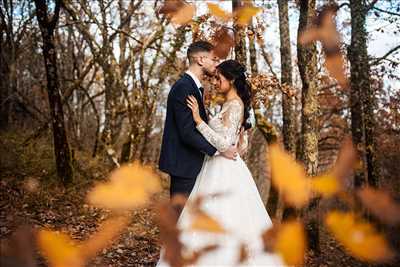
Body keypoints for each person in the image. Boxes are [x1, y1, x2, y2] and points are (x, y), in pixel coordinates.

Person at [157, 59, 284, 266]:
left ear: (231, 80)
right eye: (215, 78)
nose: (215, 82)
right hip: (215, 164)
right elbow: (237, 145)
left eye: (219, 78)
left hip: (223, 168)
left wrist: (198, 120)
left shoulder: (235, 105)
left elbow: (224, 144)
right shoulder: (230, 104)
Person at [159, 41, 238, 216]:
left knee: (187, 219)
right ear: (201, 59)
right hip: (183, 165)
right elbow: (187, 132)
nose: (217, 64)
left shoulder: (194, 87)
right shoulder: (184, 88)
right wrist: (219, 151)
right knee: (180, 217)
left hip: (191, 163)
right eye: (214, 59)